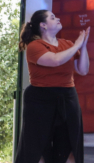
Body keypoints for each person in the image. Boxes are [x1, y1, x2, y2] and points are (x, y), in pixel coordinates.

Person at [15, 10, 90, 163]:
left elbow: (83, 70)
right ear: (43, 25)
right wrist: (77, 44)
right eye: (53, 17)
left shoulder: (67, 44)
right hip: (39, 100)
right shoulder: (35, 46)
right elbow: (55, 60)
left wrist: (83, 46)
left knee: (69, 148)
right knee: (38, 150)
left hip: (68, 98)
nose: (58, 18)